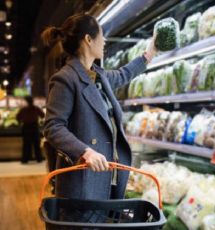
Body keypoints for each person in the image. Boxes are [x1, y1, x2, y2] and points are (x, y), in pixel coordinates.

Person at [42, 13, 156, 205]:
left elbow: (123, 74)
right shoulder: (65, 79)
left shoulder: (98, 75)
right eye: (101, 35)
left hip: (106, 176)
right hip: (83, 180)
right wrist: (85, 152)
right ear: (88, 39)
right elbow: (53, 127)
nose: (104, 41)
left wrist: (150, 53)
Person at [17, 96, 45, 163]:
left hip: (26, 127)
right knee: (36, 144)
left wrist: (21, 121)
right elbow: (43, 115)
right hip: (34, 127)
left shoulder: (23, 109)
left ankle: (25, 159)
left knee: (26, 144)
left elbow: (18, 117)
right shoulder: (35, 108)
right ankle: (39, 159)